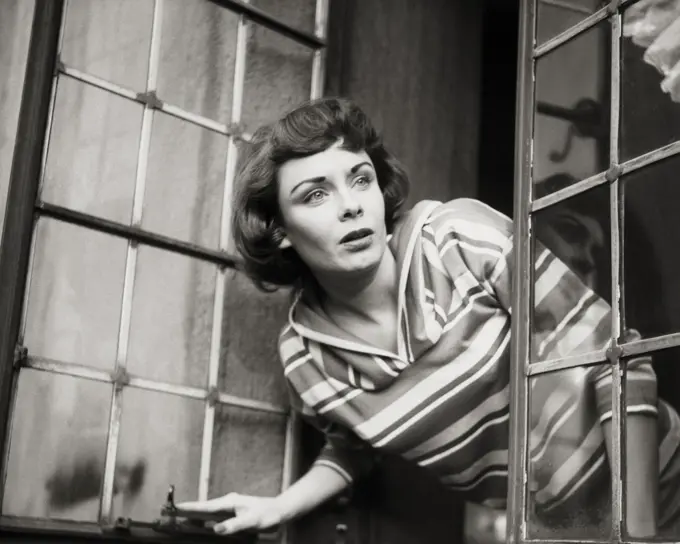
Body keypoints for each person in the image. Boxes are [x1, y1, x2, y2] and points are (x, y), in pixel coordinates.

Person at [177, 97, 680, 538]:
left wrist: (635, 535)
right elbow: (353, 447)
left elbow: (617, 359)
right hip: (559, 532)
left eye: (360, 179)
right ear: (279, 229)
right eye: (315, 194)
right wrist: (278, 507)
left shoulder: (457, 238)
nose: (351, 206)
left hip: (661, 483)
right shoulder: (305, 359)